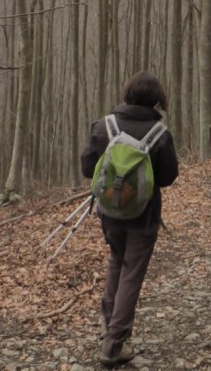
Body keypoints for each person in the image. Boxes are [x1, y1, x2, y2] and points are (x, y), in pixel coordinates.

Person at [81, 72, 179, 368]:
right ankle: (114, 344)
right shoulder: (159, 134)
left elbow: (88, 169)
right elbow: (168, 176)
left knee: (116, 261)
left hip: (109, 211)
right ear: (156, 99)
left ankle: (110, 324)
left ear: (127, 94)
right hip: (144, 215)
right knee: (132, 272)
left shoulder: (103, 127)